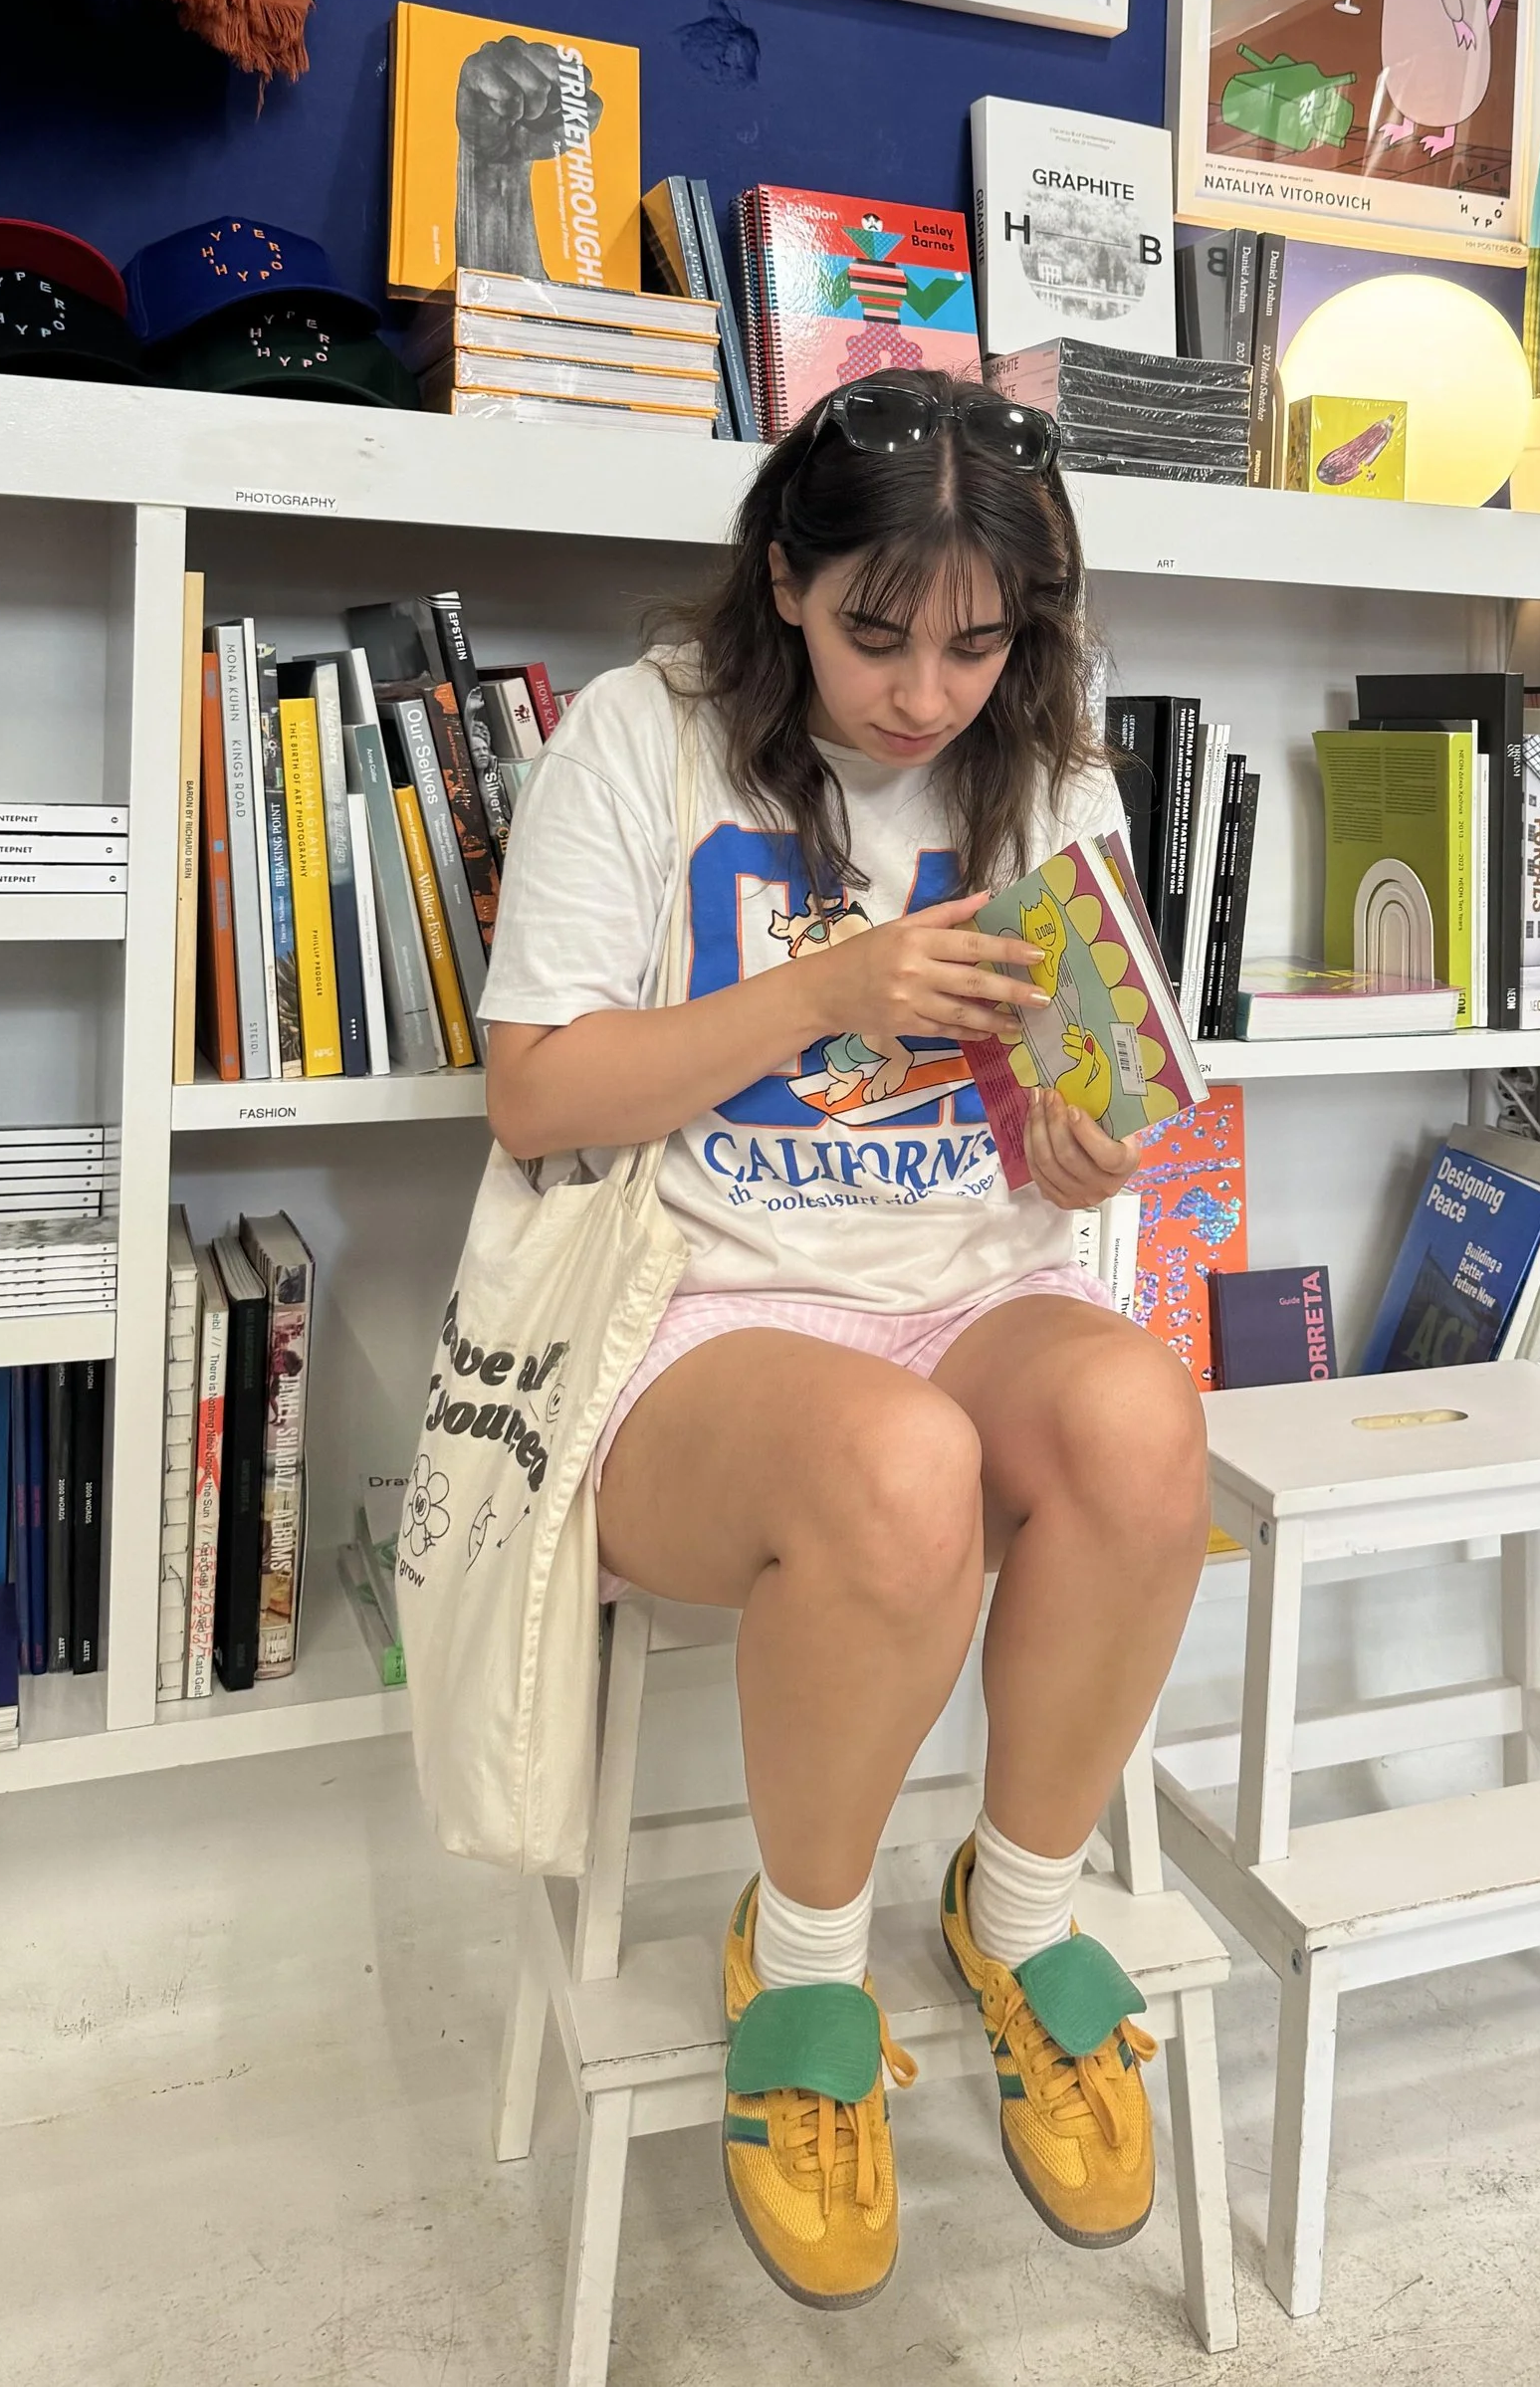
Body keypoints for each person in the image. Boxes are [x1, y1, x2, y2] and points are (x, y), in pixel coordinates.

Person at [478, 371, 1210, 2312]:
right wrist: (831, 986)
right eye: (876, 632)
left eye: (978, 642)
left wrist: (1086, 1136)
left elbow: (1092, 1110)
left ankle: (1016, 1902)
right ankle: (798, 1965)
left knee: (1142, 1429)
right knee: (901, 1472)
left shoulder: (1043, 765)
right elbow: (539, 1097)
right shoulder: (646, 740)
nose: (923, 693)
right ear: (785, 579)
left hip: (970, 1282)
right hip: (693, 1309)